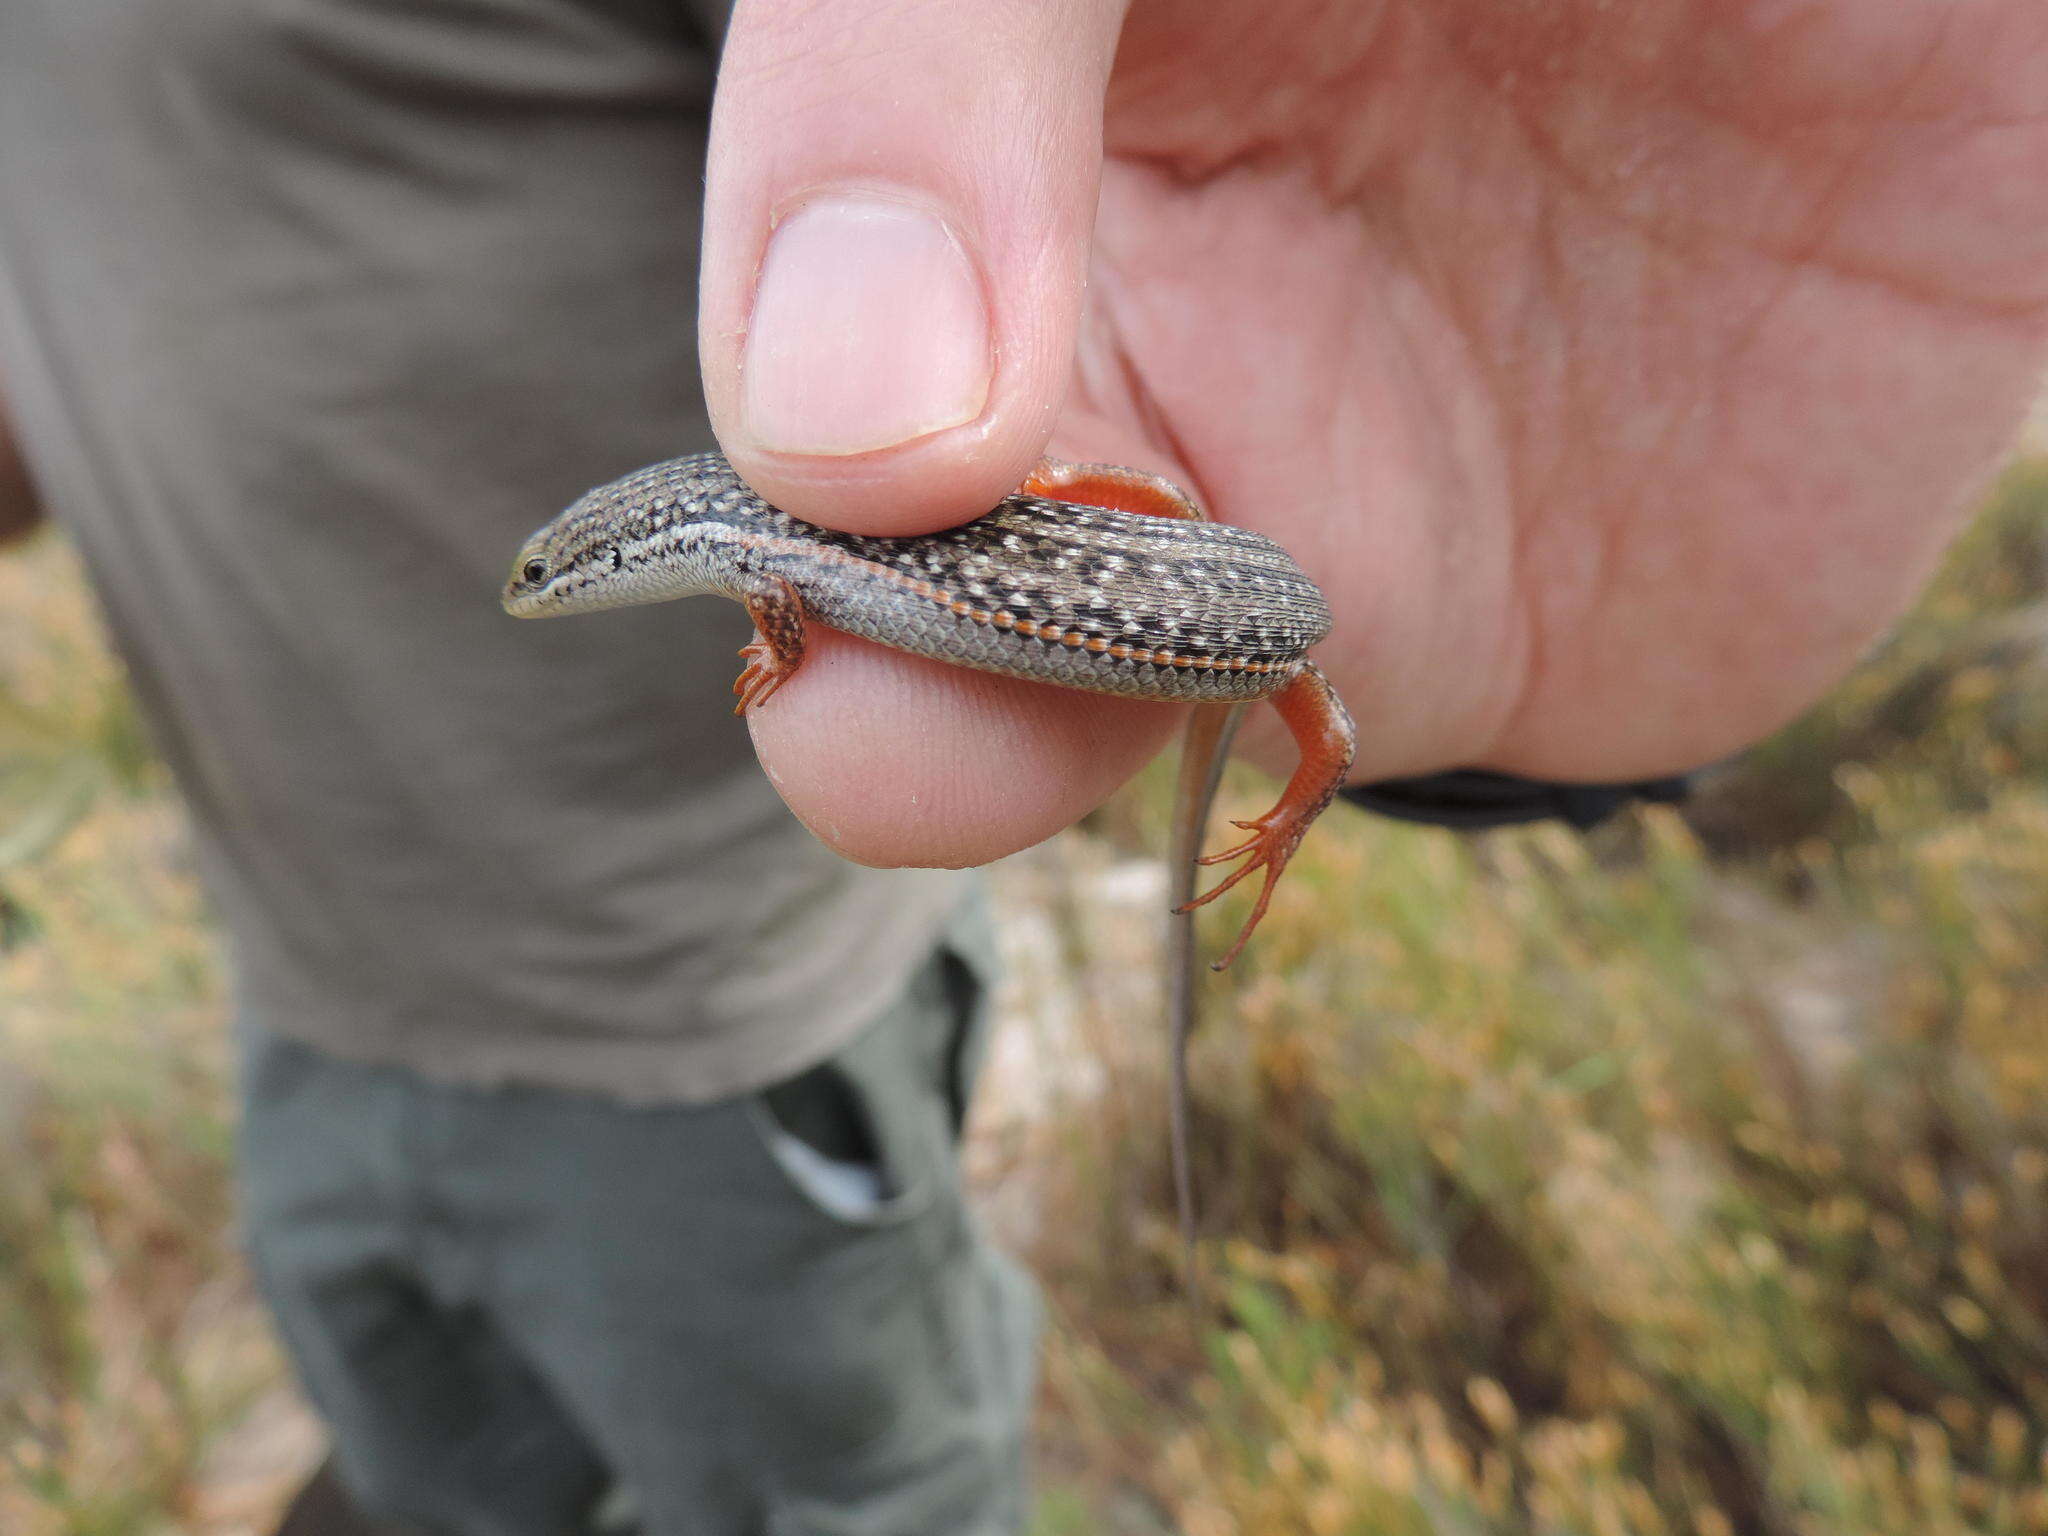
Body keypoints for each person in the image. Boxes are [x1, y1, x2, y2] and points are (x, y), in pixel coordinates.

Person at [2, 2, 2042, 1533]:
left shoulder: (775, 555)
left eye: (566, 569)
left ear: (641, 553)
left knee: (841, 1470)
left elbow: (1086, 216)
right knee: (439, 1457)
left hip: (708, 1016)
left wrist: (1464, 745)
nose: (542, 583)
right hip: (312, 961)